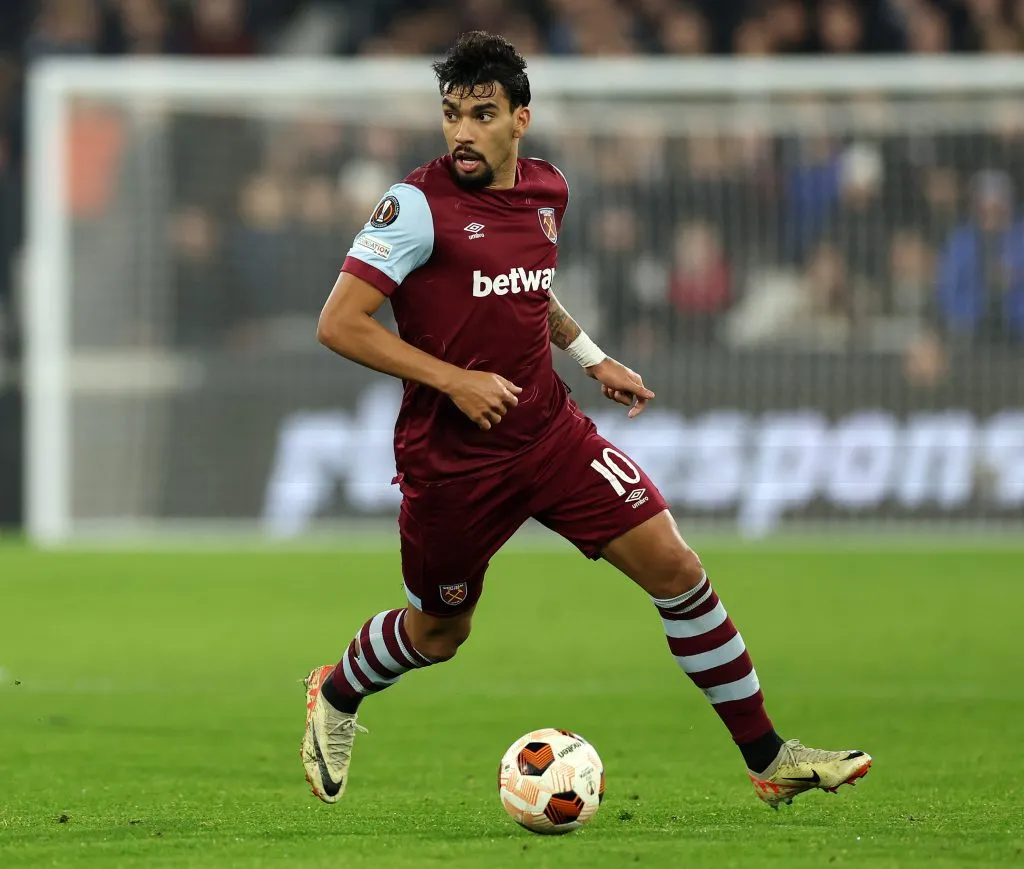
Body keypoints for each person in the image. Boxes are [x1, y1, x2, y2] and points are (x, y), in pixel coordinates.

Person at [303, 31, 871, 810]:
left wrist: (592, 356)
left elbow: (531, 290)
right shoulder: (416, 207)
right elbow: (339, 323)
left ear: (520, 119)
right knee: (439, 632)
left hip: (548, 434)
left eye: (482, 113)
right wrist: (454, 380)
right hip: (454, 464)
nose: (463, 132)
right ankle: (336, 690)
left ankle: (770, 758)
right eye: (451, 115)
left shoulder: (548, 191)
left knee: (678, 570)